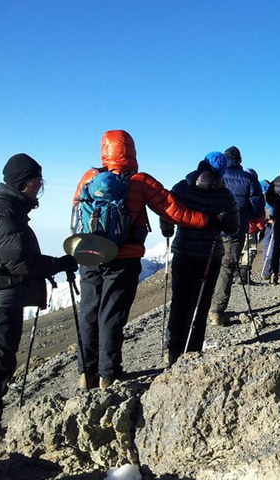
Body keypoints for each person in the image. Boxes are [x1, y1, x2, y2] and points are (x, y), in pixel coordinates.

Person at [73, 130, 212, 391]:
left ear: (104, 150)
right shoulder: (141, 182)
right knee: (112, 314)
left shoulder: (89, 178)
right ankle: (108, 373)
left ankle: (85, 373)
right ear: (132, 151)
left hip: (90, 255)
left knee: (89, 312)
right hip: (123, 257)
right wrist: (207, 220)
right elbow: (174, 211)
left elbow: (77, 212)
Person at [0, 154, 78, 438]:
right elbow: (20, 262)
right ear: (24, 183)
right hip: (0, 298)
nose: (39, 187)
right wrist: (58, 264)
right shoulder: (5, 212)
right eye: (37, 181)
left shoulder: (1, 208)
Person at [160, 152, 238, 365]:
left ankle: (173, 354)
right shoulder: (225, 195)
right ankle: (192, 355)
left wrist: (167, 230)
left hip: (184, 252)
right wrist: (220, 222)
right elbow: (233, 228)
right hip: (210, 256)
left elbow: (167, 215)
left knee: (179, 303)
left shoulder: (181, 188)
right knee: (201, 306)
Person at [209, 148, 264, 326]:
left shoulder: (215, 176)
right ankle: (217, 311)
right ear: (239, 160)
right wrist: (251, 219)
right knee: (226, 268)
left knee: (209, 267)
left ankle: (201, 308)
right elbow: (256, 208)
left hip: (211, 229)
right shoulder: (249, 179)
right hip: (235, 229)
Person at [260, 179, 274, 281]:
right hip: (271, 220)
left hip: (261, 220)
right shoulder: (270, 192)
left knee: (266, 244)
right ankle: (267, 271)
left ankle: (266, 270)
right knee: (270, 245)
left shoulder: (258, 190)